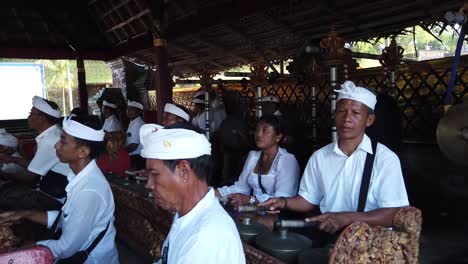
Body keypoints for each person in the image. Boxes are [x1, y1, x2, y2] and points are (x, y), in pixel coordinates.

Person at [260, 80, 409, 235]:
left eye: (356, 113)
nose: (347, 118)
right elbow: (307, 200)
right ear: (334, 115)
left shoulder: (385, 159)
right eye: (341, 111)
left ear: (369, 120)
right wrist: (283, 202)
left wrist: (346, 218)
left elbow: (394, 213)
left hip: (370, 241)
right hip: (329, 235)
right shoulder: (320, 157)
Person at [0, 115, 119, 263]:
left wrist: (29, 248)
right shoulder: (78, 176)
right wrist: (25, 214)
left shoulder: (89, 191)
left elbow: (66, 248)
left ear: (83, 152)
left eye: (63, 141)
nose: (56, 145)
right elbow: (67, 219)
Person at [140, 124, 245, 264]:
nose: (149, 184)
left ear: (183, 171)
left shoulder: (204, 240)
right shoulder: (187, 214)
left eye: (154, 174)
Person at [0, 96, 71, 210]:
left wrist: (4, 175)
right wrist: (11, 159)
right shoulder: (53, 133)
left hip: (55, 197)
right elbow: (34, 166)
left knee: (4, 196)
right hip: (52, 188)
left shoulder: (49, 140)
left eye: (31, 114)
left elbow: (29, 177)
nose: (28, 117)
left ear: (42, 118)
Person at [215, 115, 299, 206]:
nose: (258, 134)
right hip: (255, 211)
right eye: (257, 130)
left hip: (277, 215)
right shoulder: (253, 156)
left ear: (278, 137)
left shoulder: (287, 160)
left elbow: (282, 198)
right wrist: (213, 192)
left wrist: (250, 200)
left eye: (265, 131)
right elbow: (241, 188)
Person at [125, 100, 146, 169]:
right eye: (128, 109)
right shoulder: (133, 122)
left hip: (137, 158)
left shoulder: (138, 124)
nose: (128, 111)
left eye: (132, 109)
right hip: (134, 156)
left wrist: (121, 153)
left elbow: (133, 146)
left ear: (139, 112)